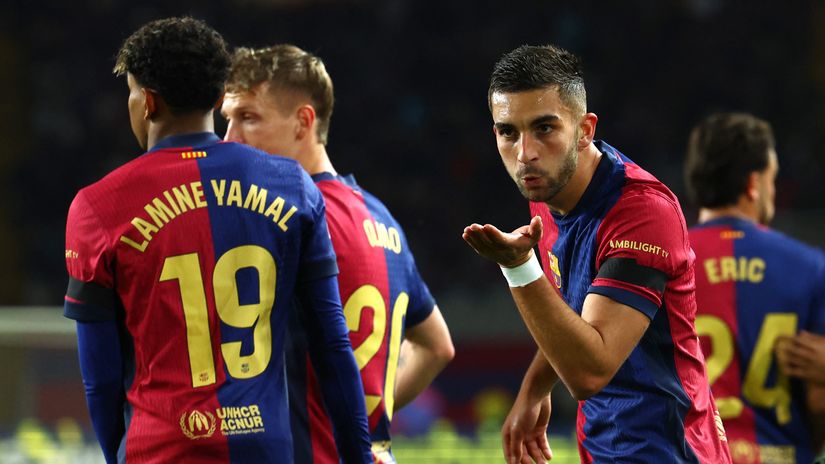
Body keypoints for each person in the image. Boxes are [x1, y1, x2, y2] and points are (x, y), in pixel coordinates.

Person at [63, 18, 372, 463]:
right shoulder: (292, 186)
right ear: (215, 97)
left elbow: (101, 377)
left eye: (131, 92)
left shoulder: (98, 207)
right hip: (266, 448)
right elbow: (332, 345)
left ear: (148, 101)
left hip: (161, 449)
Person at [462, 44, 731, 464]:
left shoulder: (641, 213)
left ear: (585, 130)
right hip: (603, 447)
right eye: (508, 132)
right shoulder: (546, 189)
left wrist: (518, 267)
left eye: (544, 128)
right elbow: (574, 315)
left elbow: (590, 370)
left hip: (670, 451)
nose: (525, 153)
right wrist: (534, 390)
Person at [221, 44, 454, 464]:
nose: (229, 139)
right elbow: (438, 347)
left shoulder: (282, 220)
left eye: (248, 118)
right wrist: (364, 425)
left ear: (303, 122)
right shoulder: (384, 219)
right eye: (227, 120)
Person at [685, 112, 825, 464]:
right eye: (772, 180)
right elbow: (819, 399)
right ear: (753, 184)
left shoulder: (662, 264)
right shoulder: (810, 269)